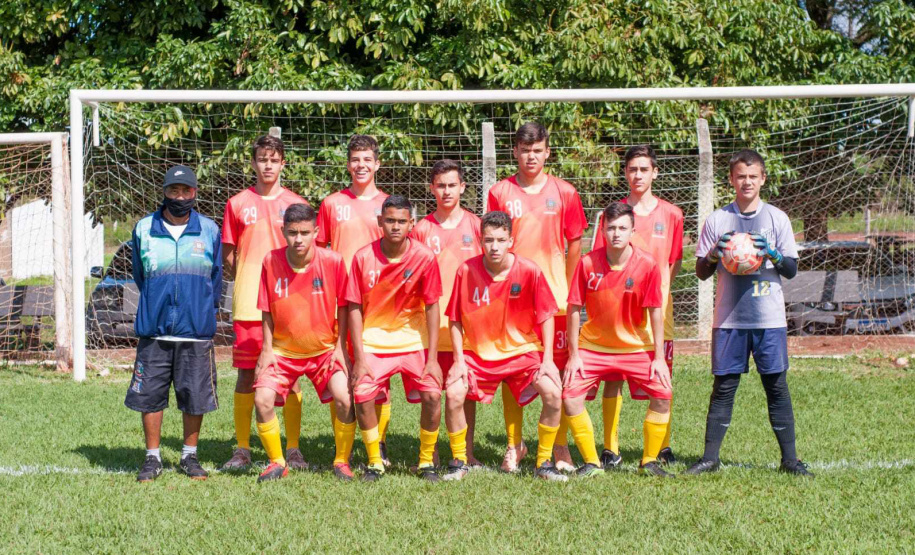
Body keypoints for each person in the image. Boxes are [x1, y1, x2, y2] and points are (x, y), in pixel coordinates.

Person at [686, 149, 811, 477]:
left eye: (753, 176)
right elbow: (701, 272)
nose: (746, 182)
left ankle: (790, 461)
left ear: (763, 179)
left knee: (776, 386)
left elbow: (792, 269)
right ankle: (710, 459)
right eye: (740, 176)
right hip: (729, 320)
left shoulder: (776, 219)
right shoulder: (717, 220)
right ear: (731, 179)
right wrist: (715, 254)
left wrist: (770, 252)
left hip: (768, 319)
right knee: (723, 387)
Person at [486, 122, 588, 472]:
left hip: (555, 299)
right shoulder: (500, 191)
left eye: (537, 150)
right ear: (515, 151)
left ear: (547, 151)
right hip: (510, 299)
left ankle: (559, 446)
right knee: (510, 370)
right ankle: (515, 446)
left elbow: (575, 240)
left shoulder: (565, 192)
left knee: (556, 371)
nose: (531, 156)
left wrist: (568, 284)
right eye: (524, 150)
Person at [443, 211, 565, 481]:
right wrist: (459, 360)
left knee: (554, 394)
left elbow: (546, 316)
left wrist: (547, 360)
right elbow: (454, 318)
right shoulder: (466, 270)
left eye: (500, 240)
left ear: (512, 240)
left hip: (522, 352)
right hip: (478, 355)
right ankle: (459, 461)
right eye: (488, 240)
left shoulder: (529, 270)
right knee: (453, 394)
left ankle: (543, 463)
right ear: (480, 240)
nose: (494, 247)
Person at [126, 165, 222, 482]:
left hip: (195, 331)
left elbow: (215, 279)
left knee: (194, 395)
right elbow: (141, 276)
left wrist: (199, 310)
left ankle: (189, 457)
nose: (180, 197)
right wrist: (158, 303)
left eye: (186, 191)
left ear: (195, 194)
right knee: (150, 396)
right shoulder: (143, 229)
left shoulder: (209, 230)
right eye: (173, 191)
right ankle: (152, 458)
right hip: (154, 331)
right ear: (164, 192)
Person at [563, 202, 673, 478]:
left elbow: (656, 312)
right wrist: (574, 355)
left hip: (636, 345)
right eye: (611, 228)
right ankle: (591, 463)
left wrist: (659, 358)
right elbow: (574, 308)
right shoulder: (587, 262)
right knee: (570, 395)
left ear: (633, 231)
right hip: (593, 347)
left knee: (663, 394)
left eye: (623, 228)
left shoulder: (647, 265)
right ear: (602, 229)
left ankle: (649, 462)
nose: (616, 233)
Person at [220, 135, 310, 472]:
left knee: (293, 377)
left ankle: (295, 448)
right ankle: (242, 448)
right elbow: (229, 256)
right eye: (262, 159)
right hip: (247, 304)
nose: (268, 165)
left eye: (274, 159)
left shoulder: (296, 204)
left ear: (283, 163)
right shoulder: (237, 203)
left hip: (291, 306)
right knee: (247, 375)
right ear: (254, 163)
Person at [592, 145, 683, 468]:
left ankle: (663, 446)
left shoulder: (672, 214)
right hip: (616, 310)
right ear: (625, 173)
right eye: (632, 169)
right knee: (613, 375)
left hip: (658, 311)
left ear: (655, 172)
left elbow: (674, 261)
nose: (638, 175)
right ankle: (610, 447)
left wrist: (659, 292)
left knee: (661, 375)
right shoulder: (614, 215)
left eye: (644, 169)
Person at [251, 204, 357, 482]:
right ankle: (276, 462)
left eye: (305, 232)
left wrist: (340, 348)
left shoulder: (332, 261)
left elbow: (344, 306)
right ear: (282, 231)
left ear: (316, 232)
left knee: (345, 398)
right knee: (262, 400)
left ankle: (341, 461)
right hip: (283, 353)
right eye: (292, 232)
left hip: (323, 352)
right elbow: (266, 308)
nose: (298, 239)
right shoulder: (270, 261)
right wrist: (266, 349)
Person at [345, 195, 443, 482]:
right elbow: (354, 307)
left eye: (402, 221)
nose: (395, 226)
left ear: (411, 224)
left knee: (433, 395)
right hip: (374, 341)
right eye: (390, 221)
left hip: (414, 341)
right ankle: (375, 462)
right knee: (362, 396)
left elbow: (433, 305)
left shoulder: (424, 257)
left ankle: (426, 462)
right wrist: (359, 358)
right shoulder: (363, 257)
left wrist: (434, 358)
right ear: (380, 222)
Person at [317, 134, 394, 466]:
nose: (361, 166)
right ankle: (342, 450)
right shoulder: (332, 204)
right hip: (339, 303)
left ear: (377, 164)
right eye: (355, 160)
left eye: (367, 160)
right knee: (343, 371)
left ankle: (380, 445)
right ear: (348, 164)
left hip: (379, 302)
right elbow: (320, 251)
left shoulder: (390, 205)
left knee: (379, 374)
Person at [410, 159, 484, 468]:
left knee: (463, 392)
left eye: (452, 185)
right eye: (440, 185)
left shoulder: (477, 227)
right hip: (430, 328)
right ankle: (431, 455)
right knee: (431, 393)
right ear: (431, 189)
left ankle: (466, 452)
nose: (446, 191)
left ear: (463, 188)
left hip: (465, 327)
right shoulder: (421, 229)